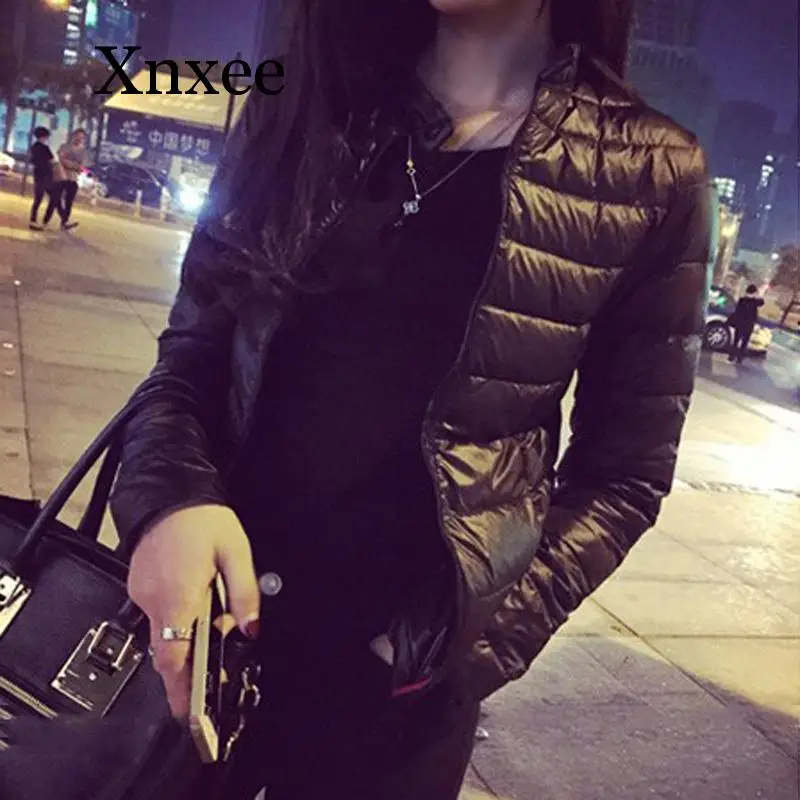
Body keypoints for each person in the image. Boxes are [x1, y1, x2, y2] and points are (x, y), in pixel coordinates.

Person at [110, 1, 714, 797]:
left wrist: (447, 649)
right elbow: (190, 356)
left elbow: (624, 477)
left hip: (389, 709)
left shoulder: (649, 172)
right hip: (204, 636)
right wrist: (171, 503)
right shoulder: (307, 103)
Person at [43, 128, 87, 231]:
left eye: (82, 137)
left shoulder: (83, 152)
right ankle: (45, 221)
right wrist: (74, 165)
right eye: (78, 136)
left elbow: (82, 166)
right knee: (54, 199)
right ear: (73, 136)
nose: (79, 139)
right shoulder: (64, 147)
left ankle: (64, 223)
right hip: (61, 177)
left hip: (73, 179)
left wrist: (70, 164)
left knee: (69, 202)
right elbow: (61, 159)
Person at [727, 284, 764, 363]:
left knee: (736, 341)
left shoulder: (742, 300)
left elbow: (737, 311)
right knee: (744, 342)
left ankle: (731, 357)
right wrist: (759, 294)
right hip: (749, 325)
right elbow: (762, 302)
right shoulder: (755, 301)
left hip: (740, 323)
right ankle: (739, 358)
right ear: (754, 292)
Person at [28, 126, 55, 231]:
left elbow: (33, 160)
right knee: (53, 197)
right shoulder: (45, 148)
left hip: (38, 174)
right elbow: (52, 160)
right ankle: (45, 221)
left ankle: (33, 220)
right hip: (46, 175)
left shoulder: (34, 147)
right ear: (44, 136)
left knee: (38, 198)